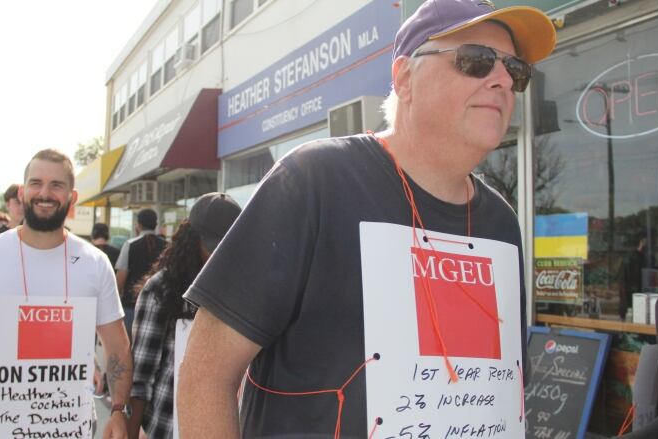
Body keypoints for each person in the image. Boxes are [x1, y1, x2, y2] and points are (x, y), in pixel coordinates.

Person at [177, 1, 556, 437]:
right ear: (405, 78)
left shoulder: (501, 224)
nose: (504, 79)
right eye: (477, 60)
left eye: (515, 69)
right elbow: (205, 374)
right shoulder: (315, 181)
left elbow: (500, 391)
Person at [0, 149, 132, 439]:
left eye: (56, 185)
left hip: (71, 426)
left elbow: (117, 346)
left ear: (72, 198)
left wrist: (118, 411)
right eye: (36, 183)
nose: (44, 193)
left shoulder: (95, 263)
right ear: (23, 192)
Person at [127, 193, 241, 439]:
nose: (220, 256)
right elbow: (140, 377)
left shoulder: (246, 290)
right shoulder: (162, 289)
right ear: (191, 240)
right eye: (213, 247)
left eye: (230, 246)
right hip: (169, 426)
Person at [115, 208, 166, 339]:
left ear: (138, 225)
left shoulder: (130, 245)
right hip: (159, 306)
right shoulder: (167, 245)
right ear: (156, 224)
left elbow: (121, 278)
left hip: (132, 306)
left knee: (129, 346)